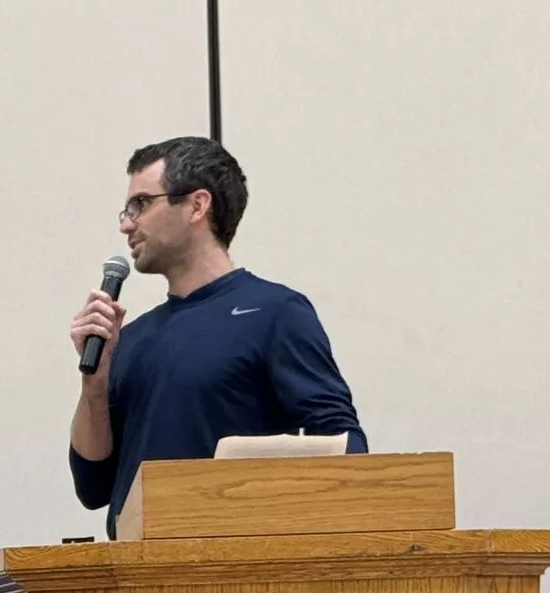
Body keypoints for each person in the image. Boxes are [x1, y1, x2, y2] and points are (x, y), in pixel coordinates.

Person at [68, 136, 368, 536]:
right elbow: (92, 487)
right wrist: (95, 382)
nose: (126, 224)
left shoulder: (275, 313)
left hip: (237, 577)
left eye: (141, 204)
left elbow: (344, 448)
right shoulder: (131, 338)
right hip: (137, 576)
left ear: (197, 205)